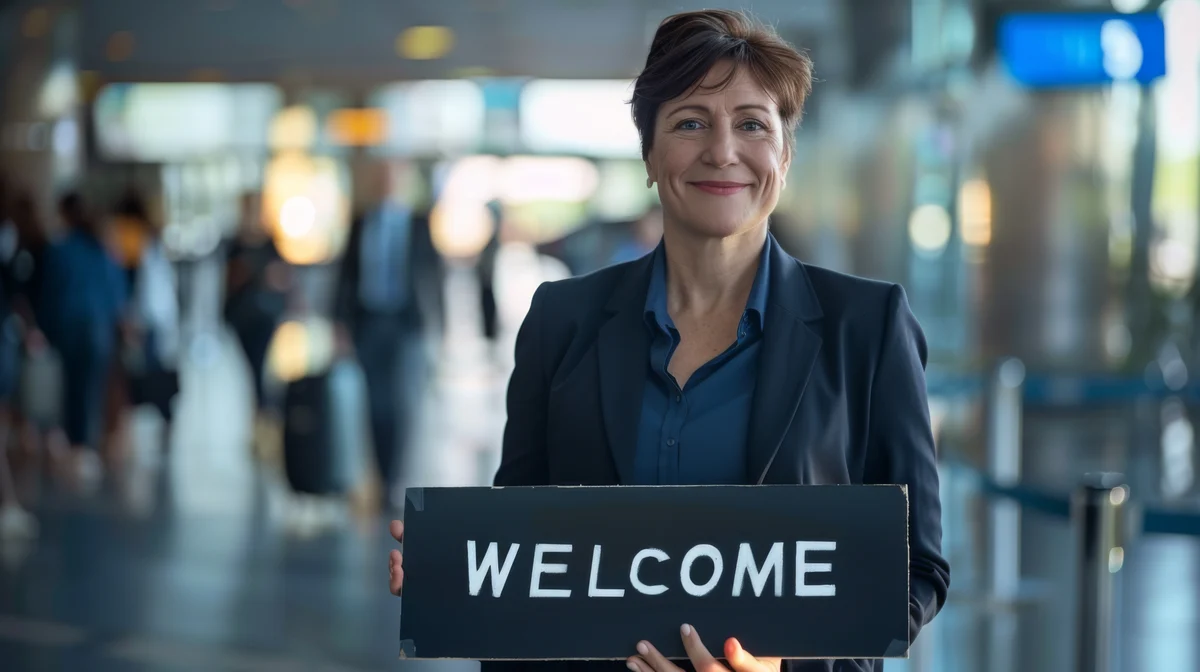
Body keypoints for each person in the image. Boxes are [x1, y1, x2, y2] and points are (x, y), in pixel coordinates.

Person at [387, 9, 949, 672]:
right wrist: (459, 580)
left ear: (785, 155)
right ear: (650, 155)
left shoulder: (869, 326)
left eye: (751, 124)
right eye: (690, 122)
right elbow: (527, 549)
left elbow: (916, 569)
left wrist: (783, 669)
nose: (722, 150)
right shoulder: (561, 320)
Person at [333, 161, 442, 508]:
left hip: (405, 324)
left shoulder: (418, 225)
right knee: (374, 403)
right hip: (367, 322)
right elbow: (344, 278)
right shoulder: (360, 223)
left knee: (401, 403)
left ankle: (393, 476)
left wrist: (436, 327)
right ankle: (380, 476)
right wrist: (339, 324)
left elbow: (432, 276)